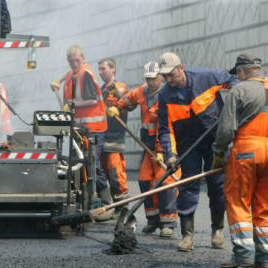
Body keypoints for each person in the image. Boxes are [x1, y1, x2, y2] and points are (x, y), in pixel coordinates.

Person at [157, 52, 238, 252]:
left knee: (217, 187)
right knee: (188, 186)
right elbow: (165, 129)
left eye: (171, 75)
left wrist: (233, 103)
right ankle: (187, 235)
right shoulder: (165, 94)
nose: (168, 80)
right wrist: (170, 154)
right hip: (187, 144)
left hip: (214, 141)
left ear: (181, 68)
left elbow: (233, 80)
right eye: (164, 76)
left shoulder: (206, 77)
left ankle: (217, 230)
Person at [212, 54, 268, 268]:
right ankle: (264, 256)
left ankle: (243, 254)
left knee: (238, 200)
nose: (237, 77)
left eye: (238, 73)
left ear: (242, 71)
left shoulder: (238, 90)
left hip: (245, 152)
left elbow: (225, 130)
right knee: (263, 205)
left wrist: (218, 154)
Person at [108, 61, 181, 238]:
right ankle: (153, 220)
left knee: (165, 182)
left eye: (153, 79)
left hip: (165, 144)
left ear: (160, 78)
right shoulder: (142, 91)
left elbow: (165, 127)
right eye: (147, 79)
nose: (150, 83)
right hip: (147, 144)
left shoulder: (167, 95)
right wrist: (117, 107)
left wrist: (161, 151)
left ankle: (168, 222)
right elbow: (127, 99)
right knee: (144, 180)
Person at [50, 45, 113, 220]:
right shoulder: (72, 74)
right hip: (80, 130)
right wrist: (58, 81)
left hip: (94, 129)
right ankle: (84, 202)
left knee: (93, 166)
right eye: (71, 61)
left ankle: (107, 203)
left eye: (77, 60)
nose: (74, 63)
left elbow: (91, 99)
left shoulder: (86, 74)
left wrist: (71, 105)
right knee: (80, 164)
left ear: (83, 59)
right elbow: (68, 74)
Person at [99, 57, 130, 221]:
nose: (101, 72)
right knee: (103, 172)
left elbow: (125, 98)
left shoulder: (120, 87)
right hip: (102, 136)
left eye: (104, 68)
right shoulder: (101, 89)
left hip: (115, 138)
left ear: (113, 69)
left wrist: (115, 91)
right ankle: (110, 206)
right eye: (100, 69)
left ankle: (123, 207)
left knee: (115, 172)